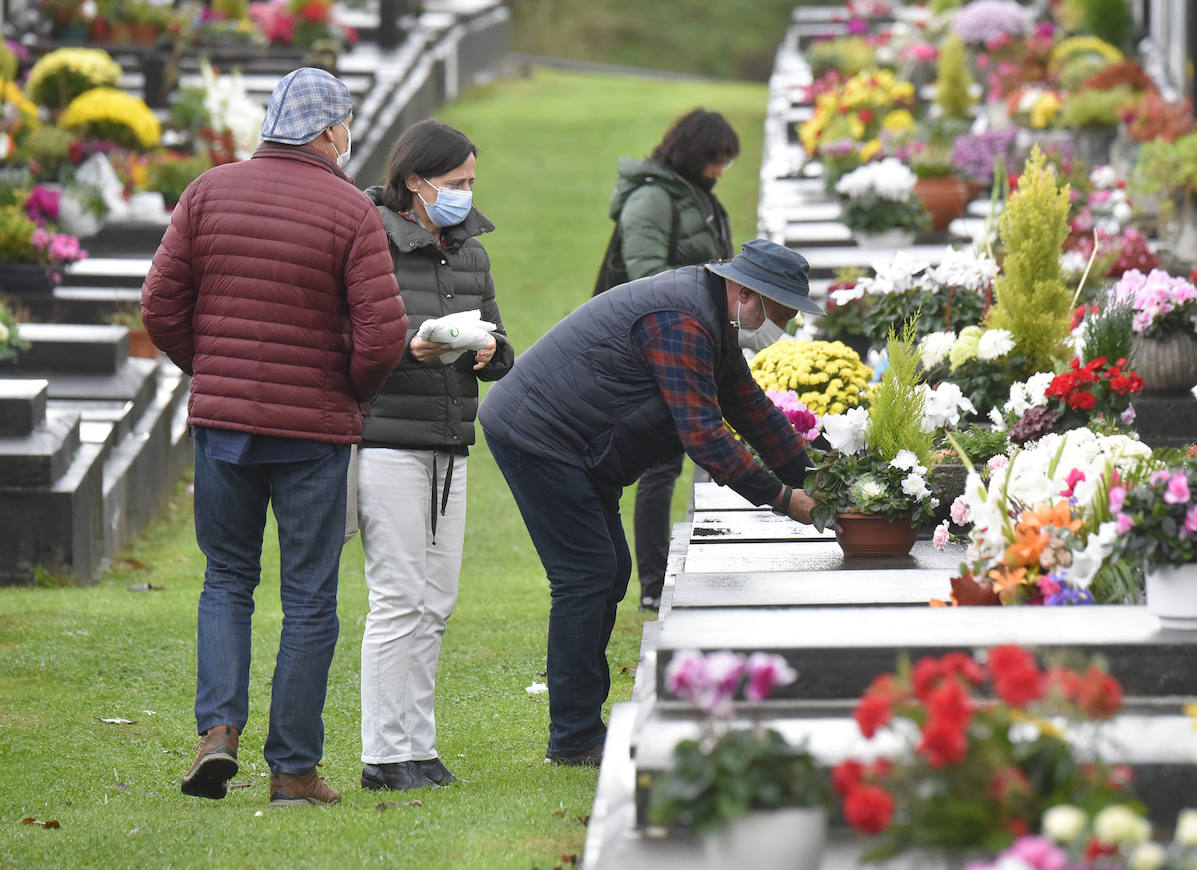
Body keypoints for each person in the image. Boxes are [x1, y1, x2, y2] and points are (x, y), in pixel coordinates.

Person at [141, 68, 409, 807]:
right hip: (312, 435)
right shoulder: (350, 211)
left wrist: (214, 369)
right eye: (344, 126)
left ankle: (217, 732)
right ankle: (292, 769)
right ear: (328, 132)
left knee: (226, 579)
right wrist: (346, 390)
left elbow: (160, 305)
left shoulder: (207, 191)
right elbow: (385, 334)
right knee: (308, 598)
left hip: (225, 426)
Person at [478, 239, 823, 766]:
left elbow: (751, 409)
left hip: (583, 445)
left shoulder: (713, 317)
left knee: (607, 573)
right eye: (779, 313)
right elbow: (705, 437)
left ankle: (579, 727)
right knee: (587, 575)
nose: (781, 327)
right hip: (540, 435)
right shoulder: (682, 321)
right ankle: (573, 738)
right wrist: (784, 499)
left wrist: (821, 478)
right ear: (744, 292)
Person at [356, 119, 514, 791]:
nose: (465, 194)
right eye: (454, 183)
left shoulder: (470, 250)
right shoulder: (368, 241)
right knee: (397, 596)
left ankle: (418, 745)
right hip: (387, 441)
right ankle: (382, 754)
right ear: (415, 182)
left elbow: (501, 343)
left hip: (451, 439)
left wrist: (490, 352)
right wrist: (407, 353)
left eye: (472, 182)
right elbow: (352, 347)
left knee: (437, 601)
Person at [597, 109, 739, 613]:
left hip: (685, 337)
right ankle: (653, 584)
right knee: (659, 467)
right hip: (657, 344)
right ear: (693, 151)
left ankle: (652, 581)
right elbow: (647, 276)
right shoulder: (654, 198)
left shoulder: (692, 194)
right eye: (717, 159)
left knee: (666, 463)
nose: (722, 169)